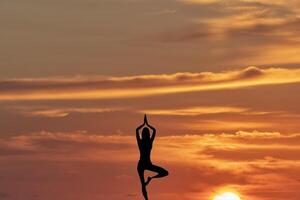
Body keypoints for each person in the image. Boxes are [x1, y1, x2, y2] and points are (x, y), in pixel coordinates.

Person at [136, 115, 169, 200]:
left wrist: (143, 124)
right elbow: (154, 130)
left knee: (164, 173)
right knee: (143, 184)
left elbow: (137, 130)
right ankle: (147, 199)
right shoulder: (149, 142)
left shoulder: (141, 142)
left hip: (144, 164)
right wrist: (147, 124)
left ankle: (150, 179)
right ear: (148, 134)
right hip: (144, 164)